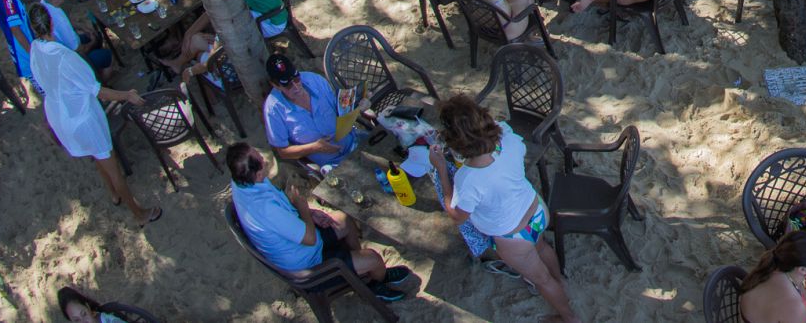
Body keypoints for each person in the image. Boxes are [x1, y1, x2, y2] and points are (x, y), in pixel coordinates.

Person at [430, 93, 581, 323]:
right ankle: (561, 279)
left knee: (542, 281)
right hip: (536, 211)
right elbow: (508, 146)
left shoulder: (468, 179)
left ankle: (569, 318)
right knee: (541, 247)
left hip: (513, 237)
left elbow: (457, 215)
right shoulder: (507, 136)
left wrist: (441, 169)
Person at [27, 4, 159, 227]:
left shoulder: (35, 49)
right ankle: (138, 213)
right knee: (111, 164)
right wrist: (127, 95)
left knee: (96, 155)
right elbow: (99, 91)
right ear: (51, 23)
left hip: (59, 116)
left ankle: (113, 194)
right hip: (81, 117)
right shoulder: (65, 57)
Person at [227, 143, 412, 301]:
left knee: (345, 220)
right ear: (258, 174)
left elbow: (284, 215)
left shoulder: (241, 182)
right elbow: (310, 239)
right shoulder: (265, 208)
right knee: (374, 258)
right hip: (306, 264)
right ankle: (374, 285)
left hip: (296, 244)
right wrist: (303, 208)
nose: (263, 157)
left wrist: (311, 213)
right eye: (259, 158)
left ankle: (361, 269)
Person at [263, 52, 364, 171]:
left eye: (296, 78)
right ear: (275, 85)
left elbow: (341, 105)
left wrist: (360, 103)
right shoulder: (273, 110)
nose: (296, 86)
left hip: (355, 141)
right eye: (288, 85)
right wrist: (315, 147)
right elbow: (283, 152)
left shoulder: (315, 80)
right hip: (331, 164)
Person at [737, 229, 806, 323]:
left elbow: (804, 285)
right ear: (802, 269)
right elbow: (793, 306)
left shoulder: (780, 266)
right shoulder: (795, 307)